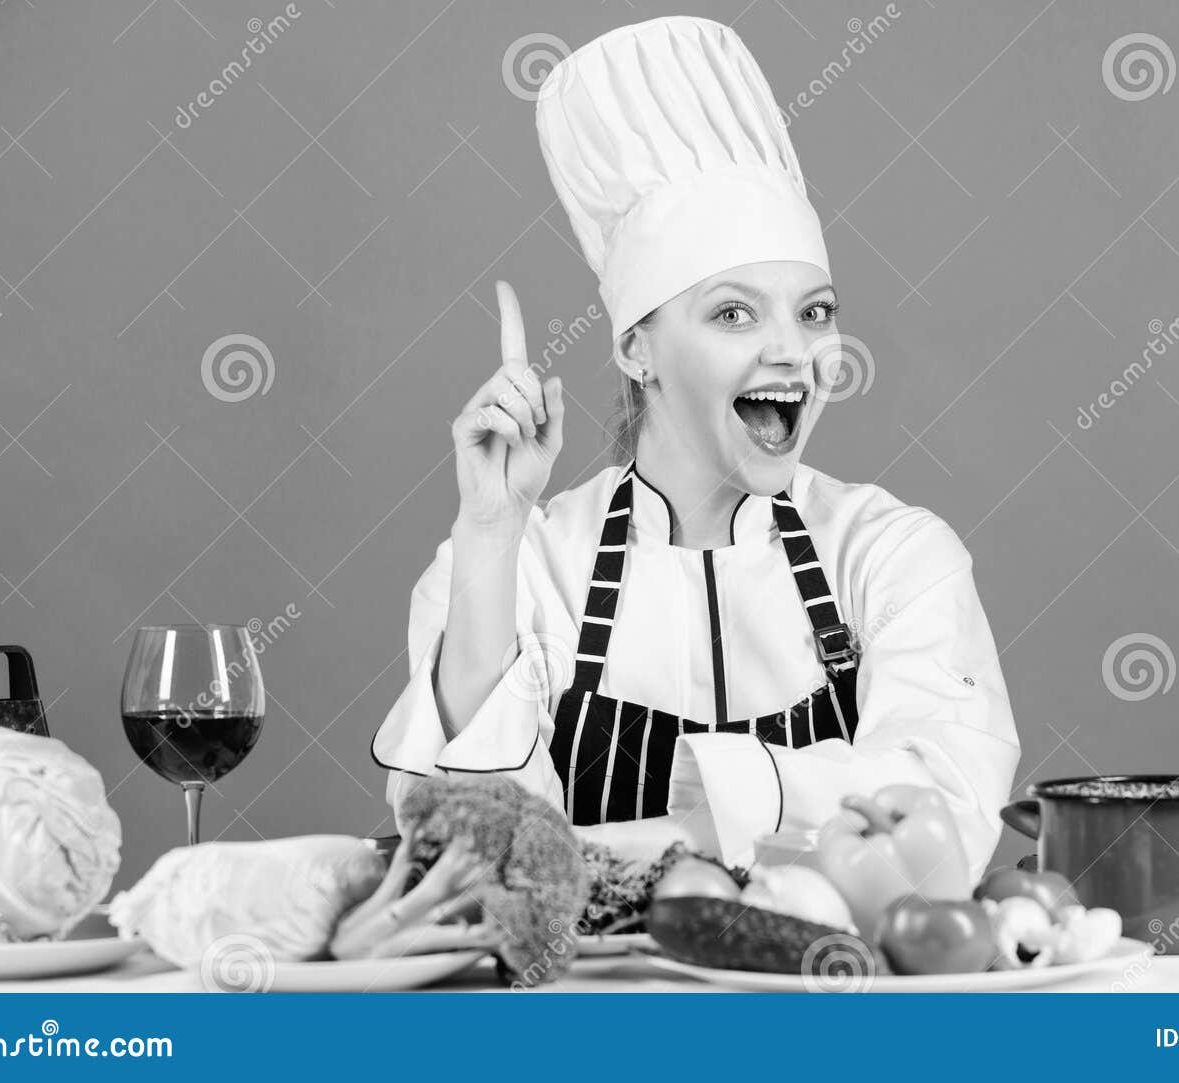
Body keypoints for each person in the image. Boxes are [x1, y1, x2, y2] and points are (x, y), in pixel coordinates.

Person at [372, 16, 1019, 877]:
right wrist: (491, 532)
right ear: (638, 348)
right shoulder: (529, 568)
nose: (793, 349)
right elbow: (455, 839)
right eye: (733, 312)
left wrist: (662, 821)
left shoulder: (895, 556)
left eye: (814, 310)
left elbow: (943, 819)